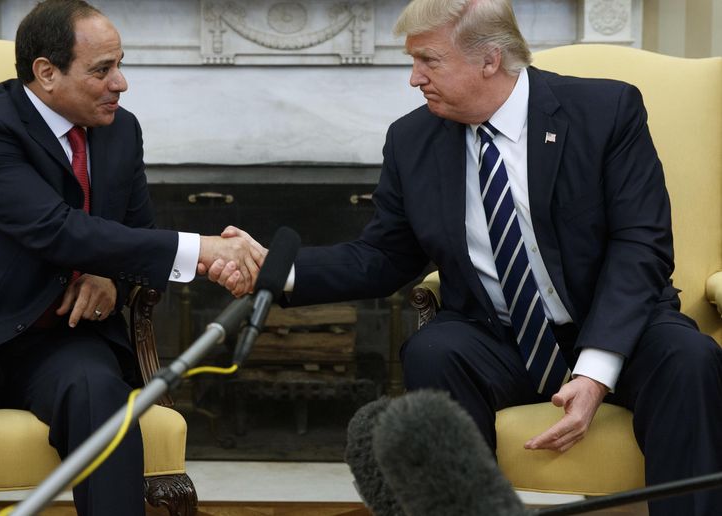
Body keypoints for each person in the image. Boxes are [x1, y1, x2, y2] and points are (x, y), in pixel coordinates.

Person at [214, 0, 722, 513]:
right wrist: (274, 268)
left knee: (690, 360)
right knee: (433, 351)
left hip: (619, 327)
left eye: (428, 61)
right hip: (500, 337)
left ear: (490, 59)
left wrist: (594, 371)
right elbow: (383, 256)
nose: (414, 78)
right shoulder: (412, 140)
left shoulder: (606, 111)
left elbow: (641, 245)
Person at [0, 1, 262, 515]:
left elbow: (136, 240)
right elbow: (53, 229)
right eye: (102, 70)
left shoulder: (120, 131)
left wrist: (112, 282)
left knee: (98, 392)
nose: (121, 83)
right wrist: (204, 248)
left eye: (120, 64)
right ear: (46, 73)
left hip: (64, 337)